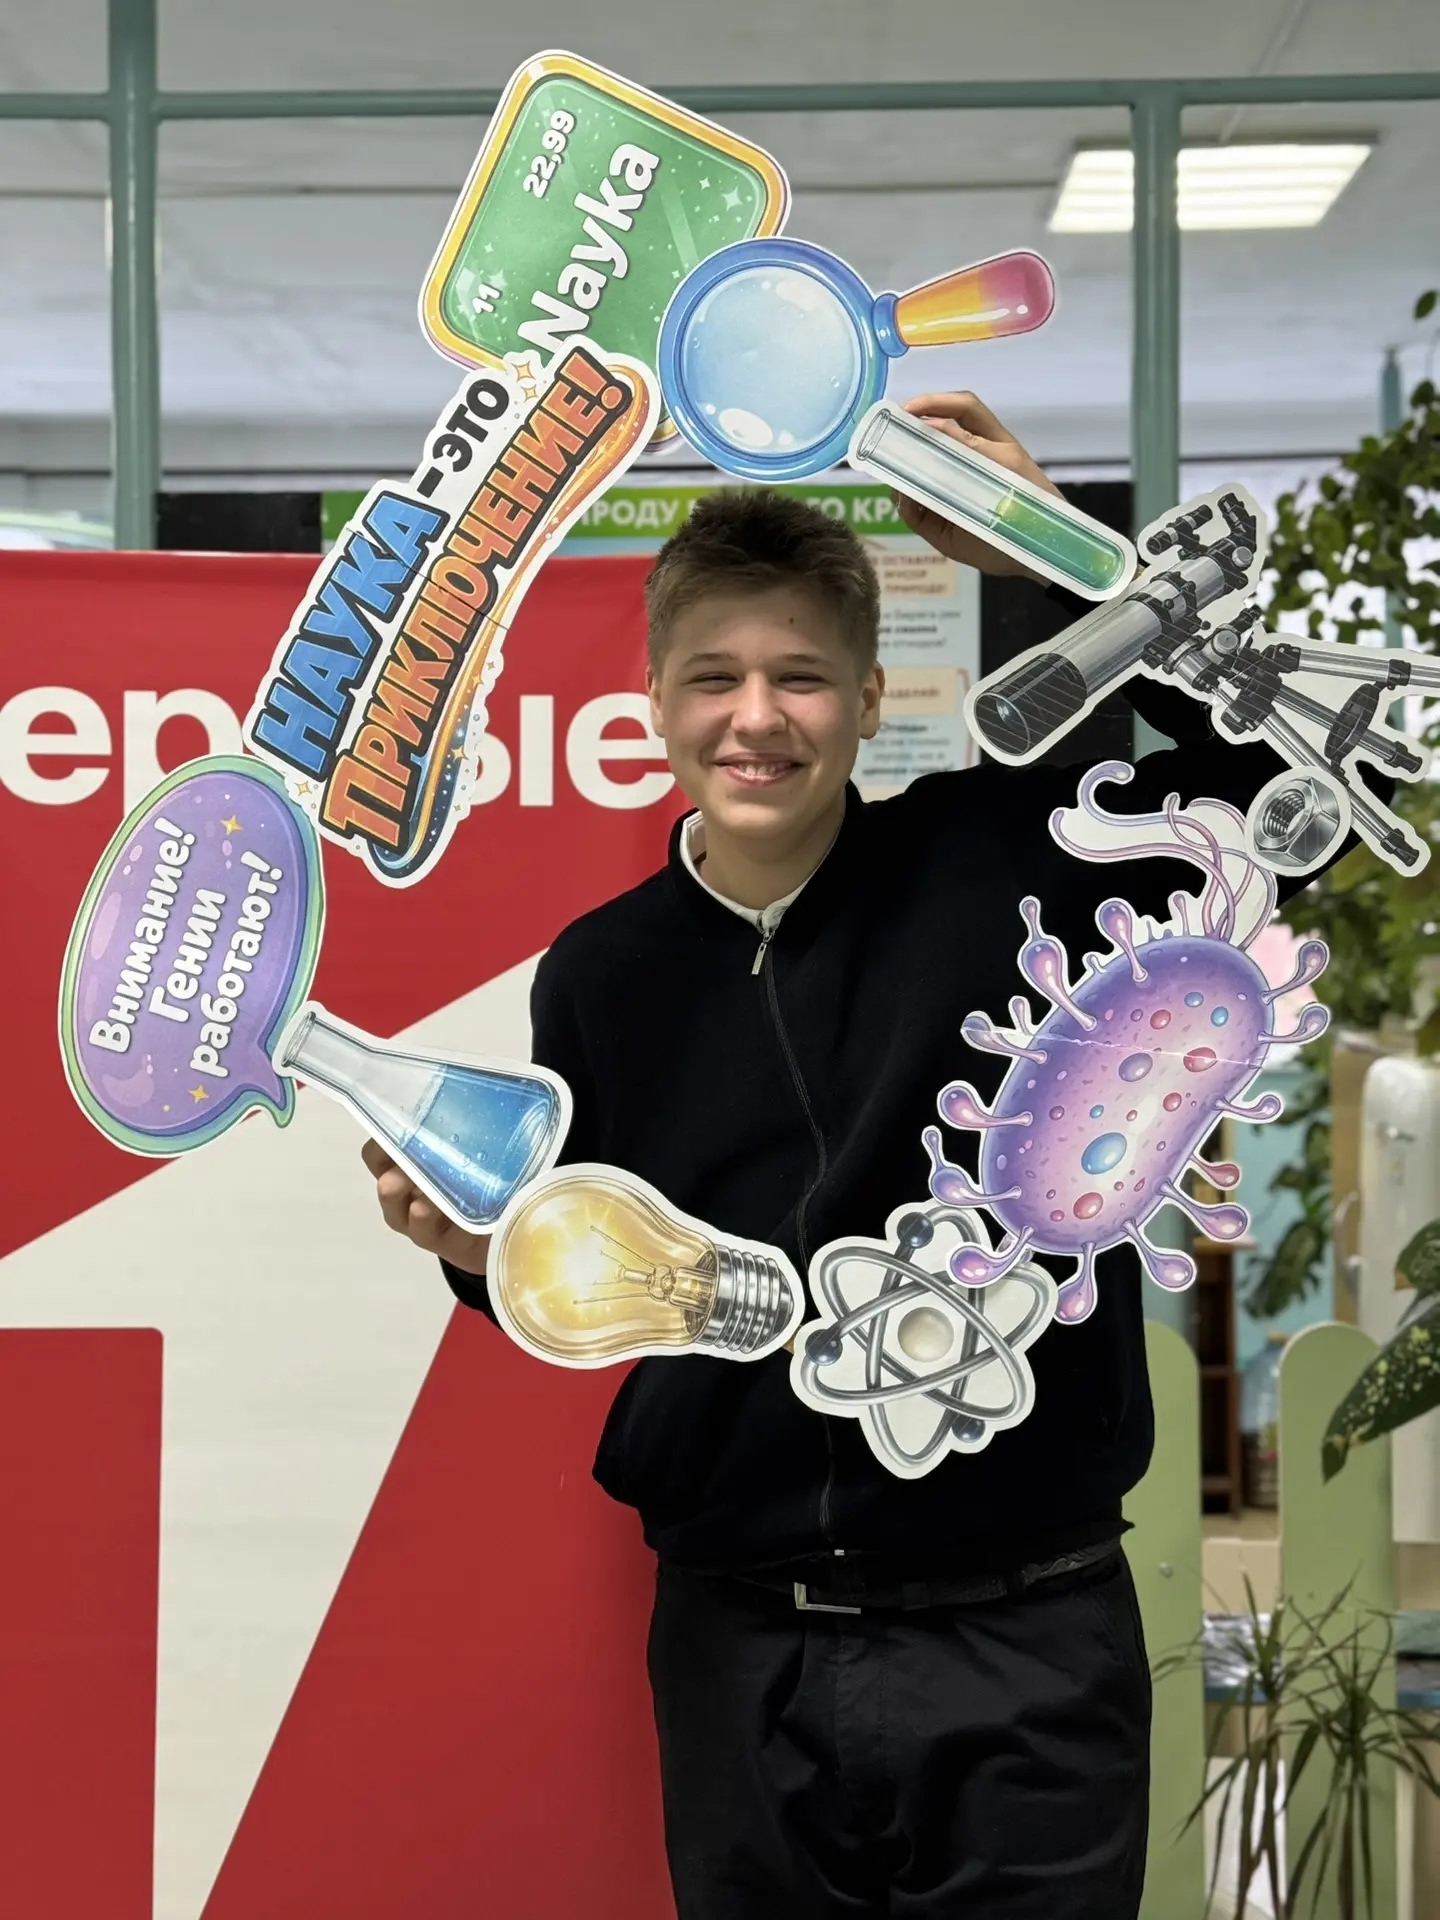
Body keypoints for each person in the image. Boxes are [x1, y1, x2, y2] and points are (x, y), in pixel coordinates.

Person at [361, 394, 1329, 1917]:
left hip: (1025, 1635)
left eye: (801, 676)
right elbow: (595, 1269)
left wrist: (1063, 556)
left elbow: (1291, 793)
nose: (757, 717)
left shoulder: (1010, 866)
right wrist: (478, 1257)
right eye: (715, 678)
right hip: (741, 1645)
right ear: (656, 701)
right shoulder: (601, 976)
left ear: (873, 699)